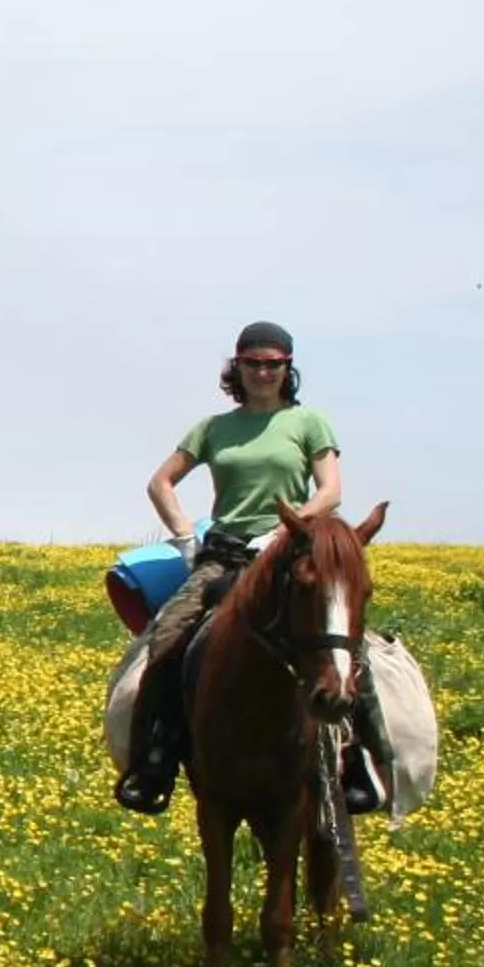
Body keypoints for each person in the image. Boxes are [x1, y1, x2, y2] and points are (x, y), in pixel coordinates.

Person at [115, 319, 390, 814]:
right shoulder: (213, 430)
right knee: (168, 635)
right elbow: (161, 483)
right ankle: (154, 757)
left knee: (345, 642)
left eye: (273, 364)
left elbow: (331, 490)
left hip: (291, 550)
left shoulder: (308, 424)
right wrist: (184, 539)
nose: (263, 372)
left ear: (288, 369)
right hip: (224, 555)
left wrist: (289, 529)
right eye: (252, 363)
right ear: (236, 368)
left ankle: (360, 761)